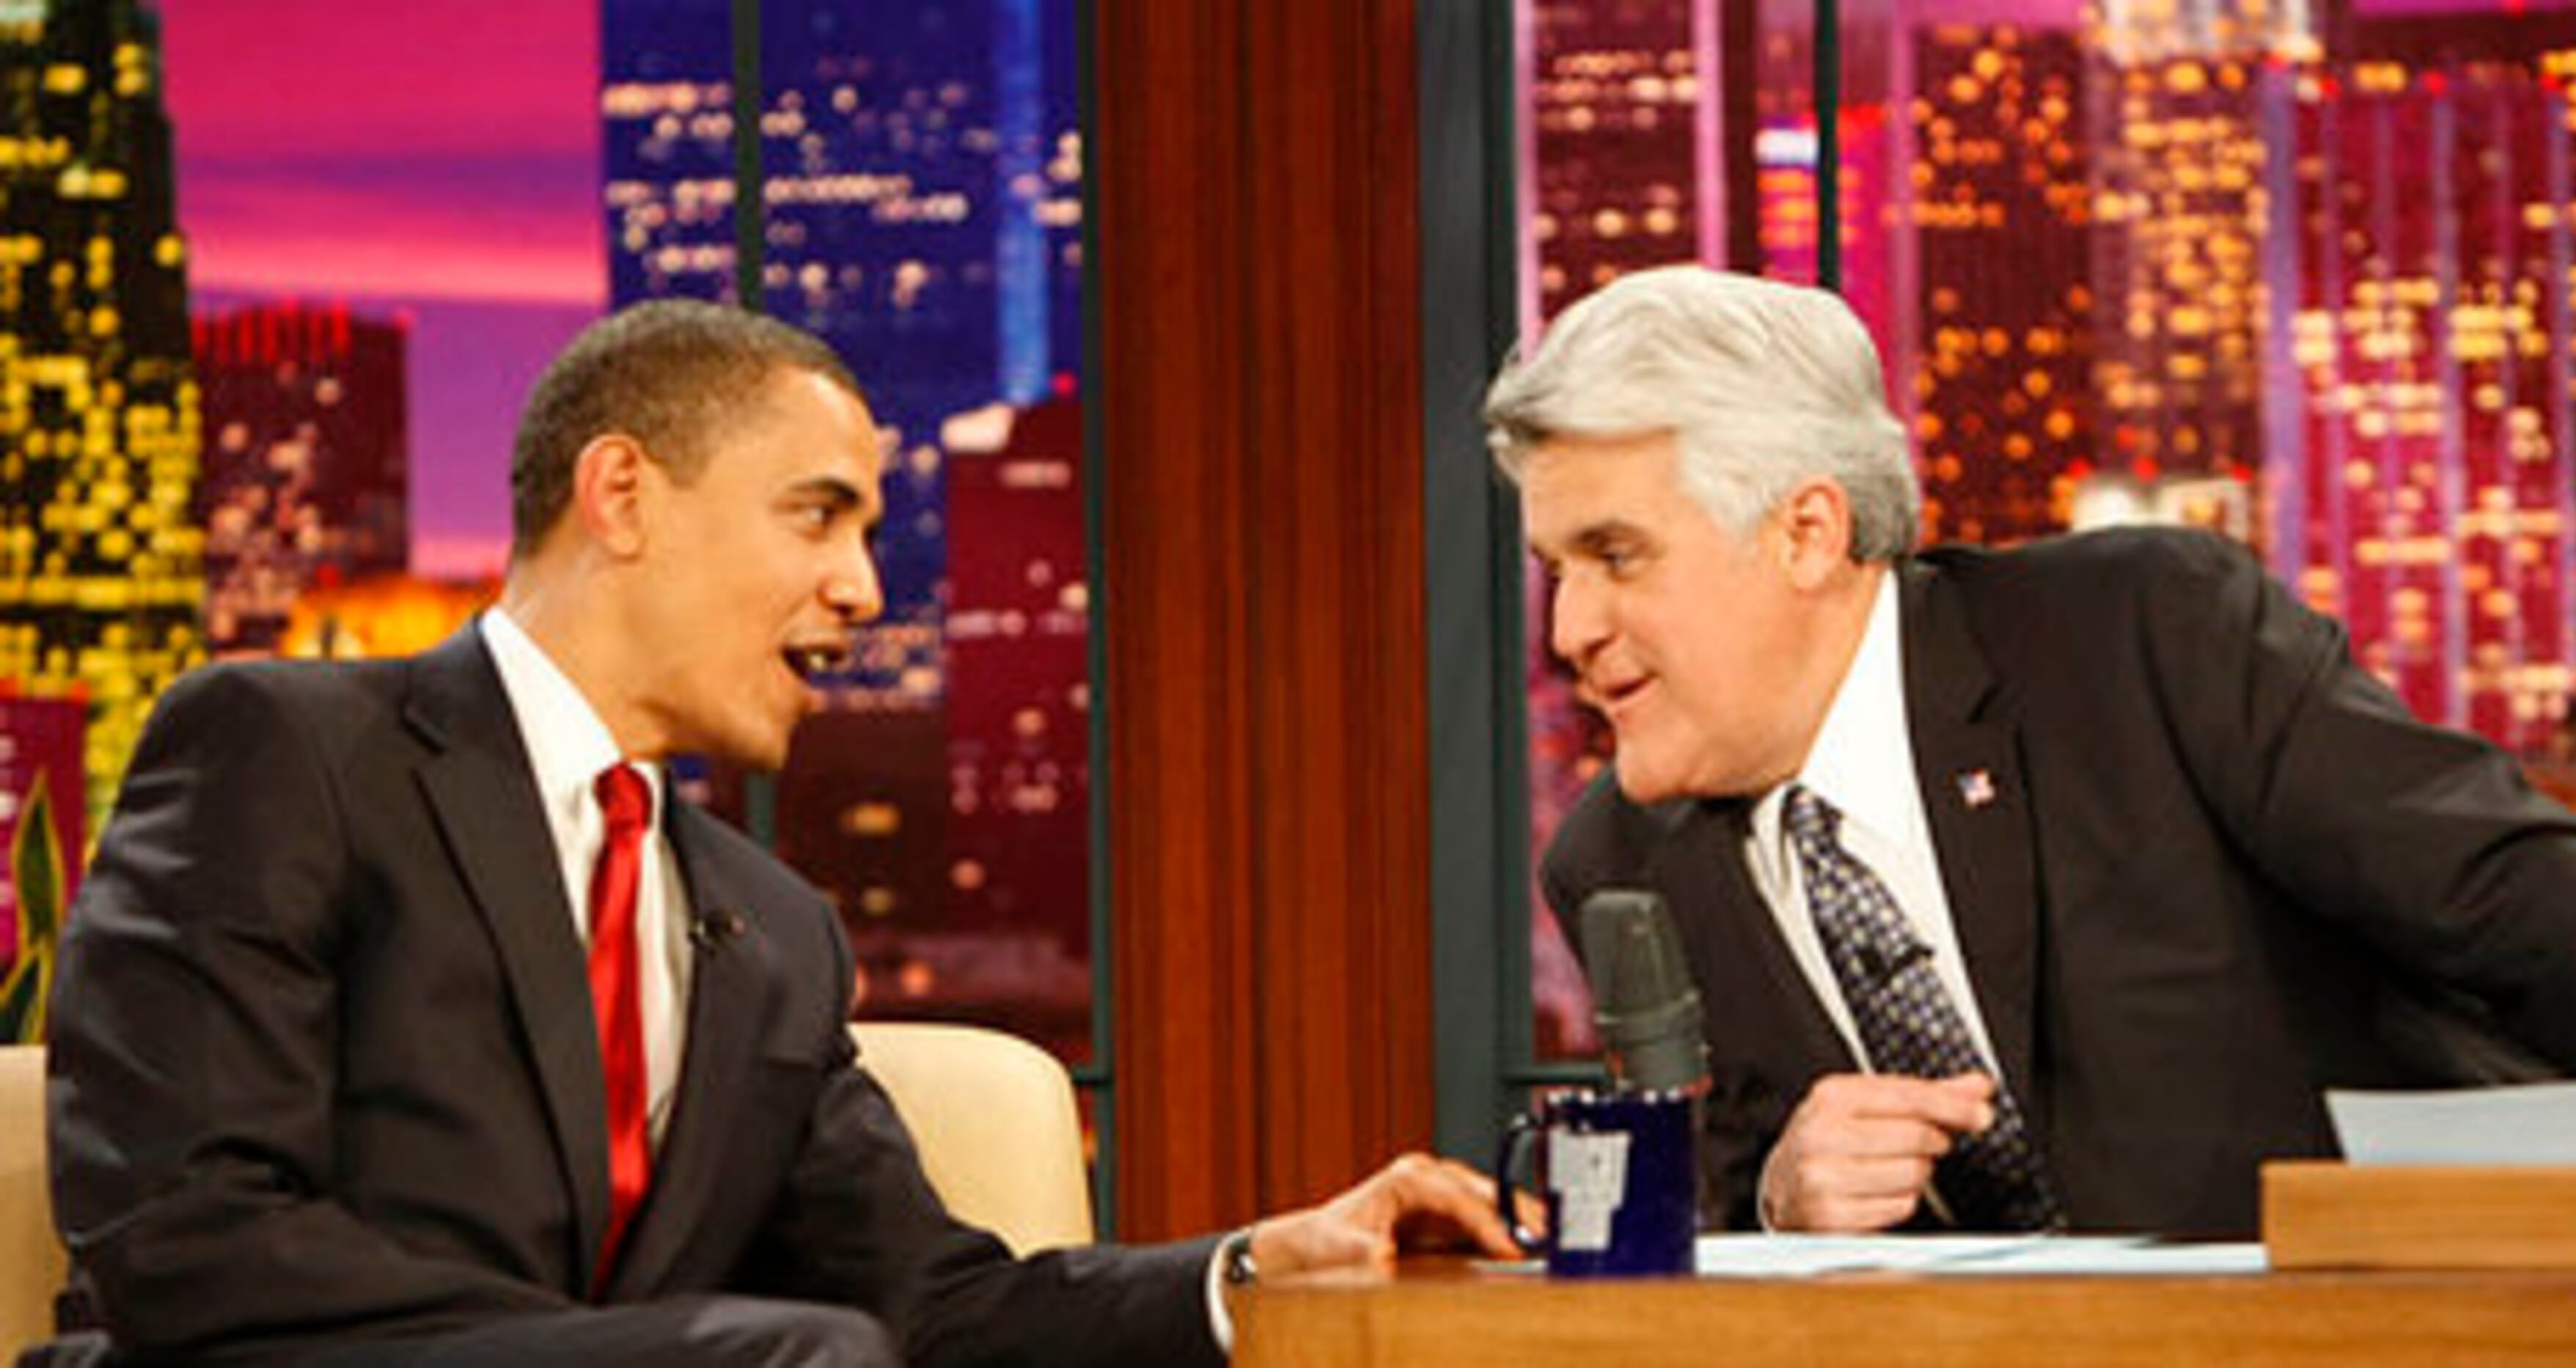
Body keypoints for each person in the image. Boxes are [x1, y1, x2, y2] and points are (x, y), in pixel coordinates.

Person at [45, 300, 1515, 1368]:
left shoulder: (770, 931)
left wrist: (1260, 1262)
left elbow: (936, 1312)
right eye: (819, 517)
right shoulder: (290, 749)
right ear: (621, 493)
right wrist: (663, 1358)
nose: (865, 590)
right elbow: (191, 1237)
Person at [1486, 265, 2576, 1240]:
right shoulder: (1620, 860)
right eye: (1556, 568)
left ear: (1807, 533)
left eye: (1616, 556)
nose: (1572, 627)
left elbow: (2520, 903)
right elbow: (1690, 1234)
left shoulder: (2136, 640)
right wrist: (1778, 1203)